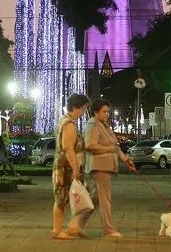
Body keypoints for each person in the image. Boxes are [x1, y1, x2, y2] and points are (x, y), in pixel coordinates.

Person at [80, 98, 136, 237]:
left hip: (107, 166)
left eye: (108, 112)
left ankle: (76, 224)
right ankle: (109, 229)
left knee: (96, 198)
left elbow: (115, 147)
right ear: (96, 112)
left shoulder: (104, 125)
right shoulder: (92, 124)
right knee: (105, 199)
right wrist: (108, 148)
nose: (107, 114)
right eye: (104, 111)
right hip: (99, 166)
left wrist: (125, 159)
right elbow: (90, 145)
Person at [51, 93, 90, 239]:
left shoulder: (64, 121)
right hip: (65, 167)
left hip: (62, 166)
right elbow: (68, 148)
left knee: (64, 198)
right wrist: (75, 169)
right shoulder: (69, 124)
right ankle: (60, 230)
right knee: (64, 198)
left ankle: (69, 228)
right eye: (83, 108)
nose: (83, 112)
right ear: (75, 107)